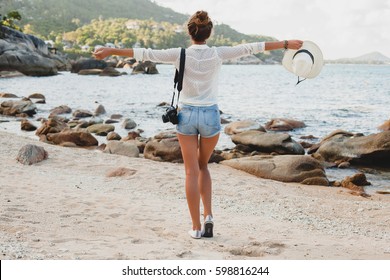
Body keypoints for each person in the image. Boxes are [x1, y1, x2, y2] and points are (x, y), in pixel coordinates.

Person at [93, 10, 303, 239]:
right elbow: (252, 47)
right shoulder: (218, 53)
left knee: (191, 171)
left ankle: (195, 227)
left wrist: (112, 50)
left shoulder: (178, 54)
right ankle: (209, 216)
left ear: (190, 32)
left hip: (186, 116)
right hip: (211, 116)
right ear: (209, 33)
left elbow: (145, 53)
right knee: (203, 166)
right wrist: (285, 43)